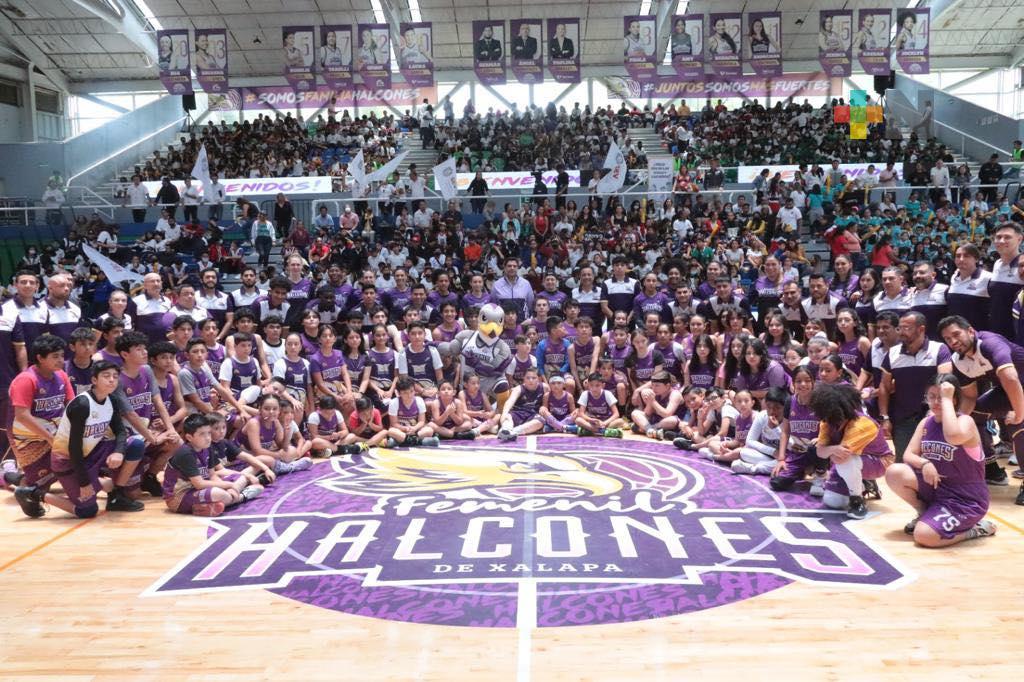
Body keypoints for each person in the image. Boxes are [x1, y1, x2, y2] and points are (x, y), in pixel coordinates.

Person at [14, 361, 141, 518]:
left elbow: (121, 431)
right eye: (106, 376)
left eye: (115, 376)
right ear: (94, 380)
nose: (111, 380)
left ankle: (117, 495)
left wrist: (119, 452)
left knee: (135, 444)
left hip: (91, 453)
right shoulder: (82, 404)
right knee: (87, 511)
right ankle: (34, 493)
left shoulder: (112, 400)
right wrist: (84, 482)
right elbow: (74, 448)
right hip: (68, 460)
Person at [885, 375, 996, 547]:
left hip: (965, 499)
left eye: (942, 396)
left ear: (954, 399)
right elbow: (908, 454)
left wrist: (947, 399)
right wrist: (925, 463)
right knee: (895, 472)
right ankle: (924, 512)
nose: (936, 401)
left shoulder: (966, 422)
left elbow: (953, 436)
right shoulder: (926, 422)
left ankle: (977, 529)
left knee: (924, 536)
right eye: (931, 396)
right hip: (937, 488)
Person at [939, 315, 1024, 495]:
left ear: (970, 330)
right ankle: (991, 467)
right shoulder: (959, 361)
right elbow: (969, 397)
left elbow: (1010, 377)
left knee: (1018, 425)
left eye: (956, 334)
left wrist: (1018, 413)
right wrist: (956, 422)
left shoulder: (989, 343)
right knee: (970, 417)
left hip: (1016, 385)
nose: (953, 341)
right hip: (1008, 390)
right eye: (948, 339)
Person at [810, 383, 893, 520]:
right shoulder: (826, 422)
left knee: (845, 461)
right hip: (849, 461)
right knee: (833, 501)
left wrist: (830, 450)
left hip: (879, 461)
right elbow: (819, 452)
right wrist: (833, 449)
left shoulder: (861, 424)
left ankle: (857, 501)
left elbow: (838, 458)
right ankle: (864, 483)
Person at [878, 311, 953, 461]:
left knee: (936, 462)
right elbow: (884, 387)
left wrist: (934, 411)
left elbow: (944, 382)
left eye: (907, 328)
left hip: (934, 417)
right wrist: (885, 417)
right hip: (903, 420)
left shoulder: (939, 349)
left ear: (921, 329)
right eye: (899, 328)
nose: (901, 332)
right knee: (904, 462)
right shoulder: (892, 353)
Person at [162, 413, 263, 517]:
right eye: (202, 434)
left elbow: (212, 475)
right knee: (217, 493)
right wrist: (229, 486)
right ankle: (242, 497)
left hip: (197, 489)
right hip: (178, 497)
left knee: (241, 478)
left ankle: (216, 503)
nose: (207, 438)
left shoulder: (208, 447)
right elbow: (199, 484)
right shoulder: (186, 453)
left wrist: (228, 488)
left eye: (209, 433)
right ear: (189, 437)